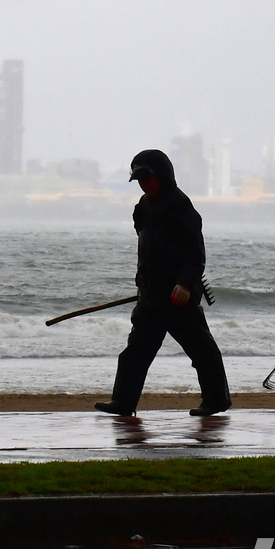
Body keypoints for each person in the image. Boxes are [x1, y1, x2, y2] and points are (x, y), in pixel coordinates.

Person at [95, 149, 231, 418]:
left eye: (148, 179)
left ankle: (217, 399)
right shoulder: (143, 206)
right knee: (135, 353)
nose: (144, 185)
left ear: (162, 177)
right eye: (140, 180)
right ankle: (123, 401)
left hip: (178, 297)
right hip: (151, 296)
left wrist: (186, 285)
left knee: (202, 351)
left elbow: (196, 252)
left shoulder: (181, 206)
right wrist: (143, 286)